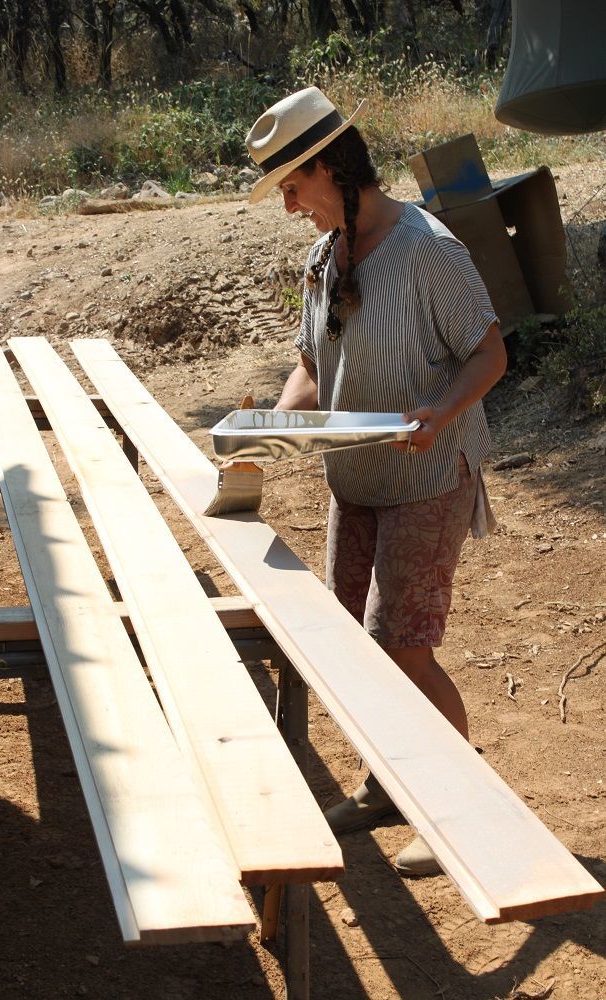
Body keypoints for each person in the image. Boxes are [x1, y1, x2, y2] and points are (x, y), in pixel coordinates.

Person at [244, 86, 507, 876]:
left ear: (329, 167)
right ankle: (390, 786)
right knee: (357, 652)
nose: (290, 206)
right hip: (353, 479)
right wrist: (273, 426)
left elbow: (489, 353)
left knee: (401, 648)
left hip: (429, 475)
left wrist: (437, 407)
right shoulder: (324, 259)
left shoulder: (427, 247)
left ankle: (462, 810)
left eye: (293, 187)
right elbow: (308, 368)